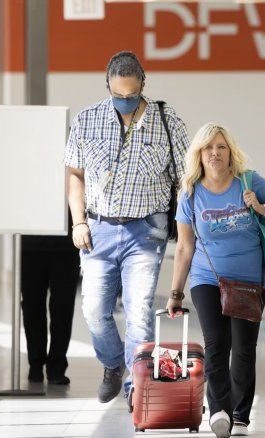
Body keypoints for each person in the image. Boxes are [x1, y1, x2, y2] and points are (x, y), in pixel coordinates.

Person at [63, 51, 189, 404]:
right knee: (94, 310)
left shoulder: (169, 123)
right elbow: (75, 175)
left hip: (146, 231)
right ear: (108, 87)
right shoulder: (87, 120)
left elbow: (184, 180)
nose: (125, 101)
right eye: (118, 95)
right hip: (98, 229)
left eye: (131, 95)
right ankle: (113, 363)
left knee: (138, 309)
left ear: (143, 85)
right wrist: (78, 222)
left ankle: (138, 387)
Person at [166, 123, 265, 437]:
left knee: (243, 348)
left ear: (229, 151)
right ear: (198, 153)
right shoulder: (190, 192)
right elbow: (184, 247)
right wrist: (175, 292)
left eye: (221, 147)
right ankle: (219, 411)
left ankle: (240, 416)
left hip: (250, 280)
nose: (215, 153)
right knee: (216, 342)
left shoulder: (249, 182)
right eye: (208, 147)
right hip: (207, 277)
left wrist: (262, 207)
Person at [20, 213, 80, 385]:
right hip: (29, 244)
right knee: (32, 307)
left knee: (62, 308)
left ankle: (56, 367)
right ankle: (36, 365)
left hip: (67, 245)